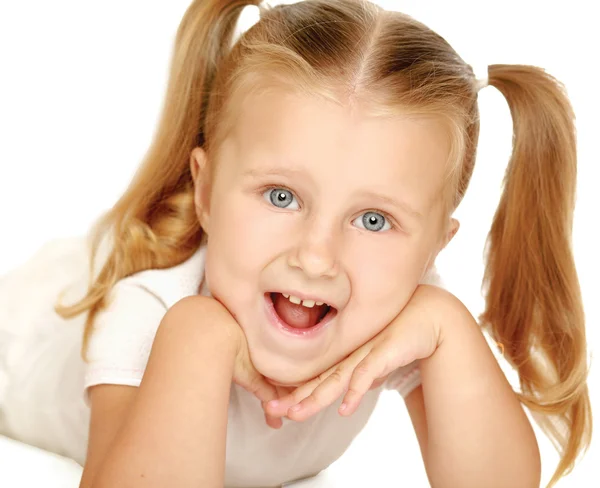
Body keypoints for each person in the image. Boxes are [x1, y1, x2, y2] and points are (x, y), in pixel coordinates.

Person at [0, 0, 592, 487]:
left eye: (374, 220)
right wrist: (197, 336)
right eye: (281, 196)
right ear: (204, 190)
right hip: (25, 326)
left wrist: (446, 324)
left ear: (435, 246)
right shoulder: (146, 310)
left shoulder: (397, 314)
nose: (316, 256)